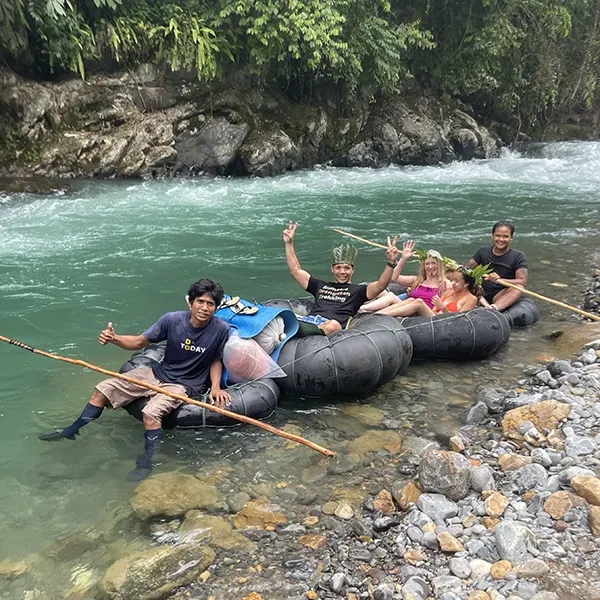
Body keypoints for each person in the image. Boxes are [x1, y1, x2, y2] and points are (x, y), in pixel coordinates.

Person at [39, 279, 231, 481]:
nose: (205, 308)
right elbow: (139, 342)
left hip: (184, 385)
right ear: (190, 302)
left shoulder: (220, 329)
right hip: (157, 373)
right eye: (200, 301)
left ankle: (146, 461)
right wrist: (114, 339)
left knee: (151, 413)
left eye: (211, 304)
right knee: (103, 389)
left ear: (215, 308)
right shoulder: (172, 320)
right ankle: (72, 430)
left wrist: (216, 387)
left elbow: (216, 359)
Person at [282, 221, 399, 335]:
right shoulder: (319, 285)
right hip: (309, 320)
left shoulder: (358, 291)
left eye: (347, 268)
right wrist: (289, 243)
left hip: (328, 325)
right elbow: (296, 271)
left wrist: (390, 262)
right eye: (338, 267)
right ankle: (297, 329)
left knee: (334, 325)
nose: (342, 272)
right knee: (284, 314)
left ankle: (299, 332)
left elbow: (380, 285)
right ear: (332, 269)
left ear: (353, 270)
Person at [360, 241, 451, 313]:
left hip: (425, 313)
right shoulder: (417, 280)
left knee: (417, 302)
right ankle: (362, 309)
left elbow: (445, 305)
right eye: (427, 264)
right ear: (423, 266)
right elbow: (395, 277)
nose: (430, 267)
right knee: (389, 294)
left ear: (439, 265)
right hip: (408, 309)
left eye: (433, 263)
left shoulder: (445, 283)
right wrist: (403, 258)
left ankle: (376, 315)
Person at [466, 220, 528, 311]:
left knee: (519, 288)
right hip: (481, 291)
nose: (501, 240)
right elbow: (467, 269)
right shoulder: (483, 251)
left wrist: (499, 280)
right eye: (498, 236)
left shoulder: (518, 256)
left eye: (505, 236)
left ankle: (494, 309)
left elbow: (522, 281)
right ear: (492, 236)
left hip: (500, 294)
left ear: (511, 238)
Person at [373, 266, 480, 317]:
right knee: (411, 299)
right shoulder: (448, 292)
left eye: (457, 281)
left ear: (466, 284)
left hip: (446, 322)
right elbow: (434, 309)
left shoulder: (471, 299)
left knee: (419, 302)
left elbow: (460, 320)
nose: (452, 283)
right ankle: (378, 314)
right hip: (433, 317)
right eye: (452, 280)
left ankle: (381, 316)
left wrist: (443, 308)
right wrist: (437, 308)